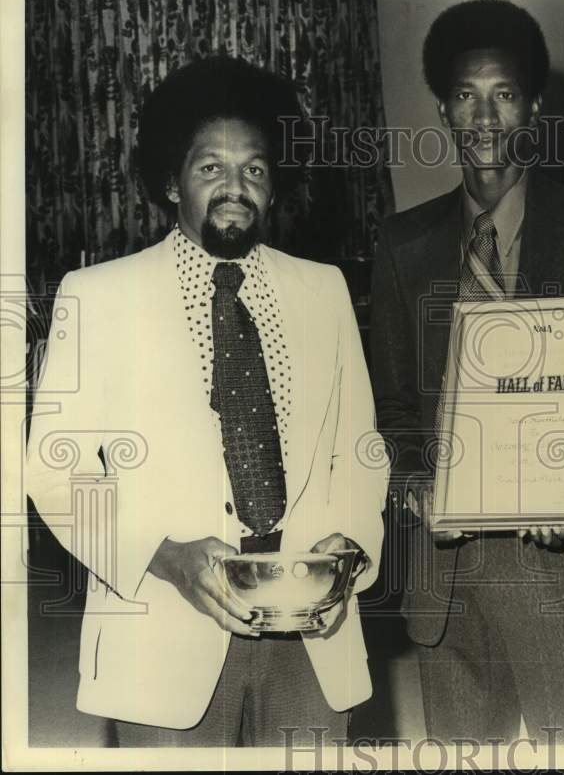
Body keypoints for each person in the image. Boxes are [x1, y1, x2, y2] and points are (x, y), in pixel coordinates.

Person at [25, 56, 387, 746]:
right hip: (163, 634)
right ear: (170, 181)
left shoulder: (325, 290)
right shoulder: (98, 295)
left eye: (254, 169)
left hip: (313, 636)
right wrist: (164, 556)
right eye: (210, 167)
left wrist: (352, 547)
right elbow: (54, 466)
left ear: (274, 187)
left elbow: (359, 450)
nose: (235, 186)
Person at [370, 0, 564, 744]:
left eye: (503, 94)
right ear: (443, 107)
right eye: (466, 95)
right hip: (450, 569)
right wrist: (416, 491)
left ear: (533, 108)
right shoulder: (403, 245)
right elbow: (394, 404)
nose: (484, 115)